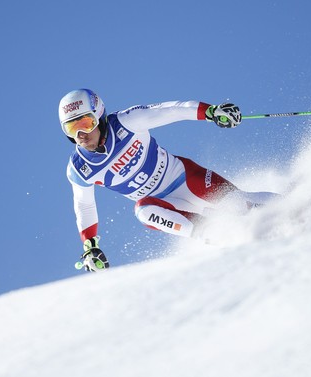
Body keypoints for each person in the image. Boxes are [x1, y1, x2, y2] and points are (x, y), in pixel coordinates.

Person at [59, 89, 279, 272]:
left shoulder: (126, 122)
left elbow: (171, 110)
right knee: (143, 211)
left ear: (99, 116)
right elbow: (84, 204)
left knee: (240, 205)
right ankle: (221, 237)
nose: (81, 135)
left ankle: (298, 204)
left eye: (85, 124)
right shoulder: (80, 169)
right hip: (163, 205)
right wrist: (90, 245)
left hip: (186, 178)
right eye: (72, 128)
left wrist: (210, 112)